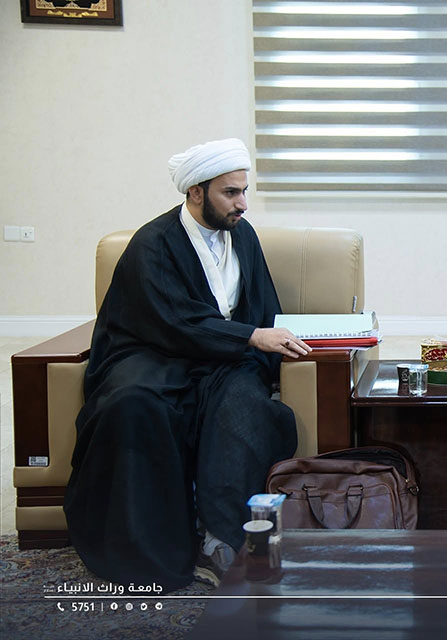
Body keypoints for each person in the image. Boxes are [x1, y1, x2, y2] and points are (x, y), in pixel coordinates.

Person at [64, 138, 311, 590]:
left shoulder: (243, 235)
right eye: (230, 193)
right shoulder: (153, 243)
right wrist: (250, 336)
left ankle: (223, 539)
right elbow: (171, 320)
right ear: (196, 192)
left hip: (225, 356)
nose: (242, 204)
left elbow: (262, 307)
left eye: (243, 191)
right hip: (153, 354)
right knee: (133, 406)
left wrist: (259, 343)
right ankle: (148, 552)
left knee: (243, 405)